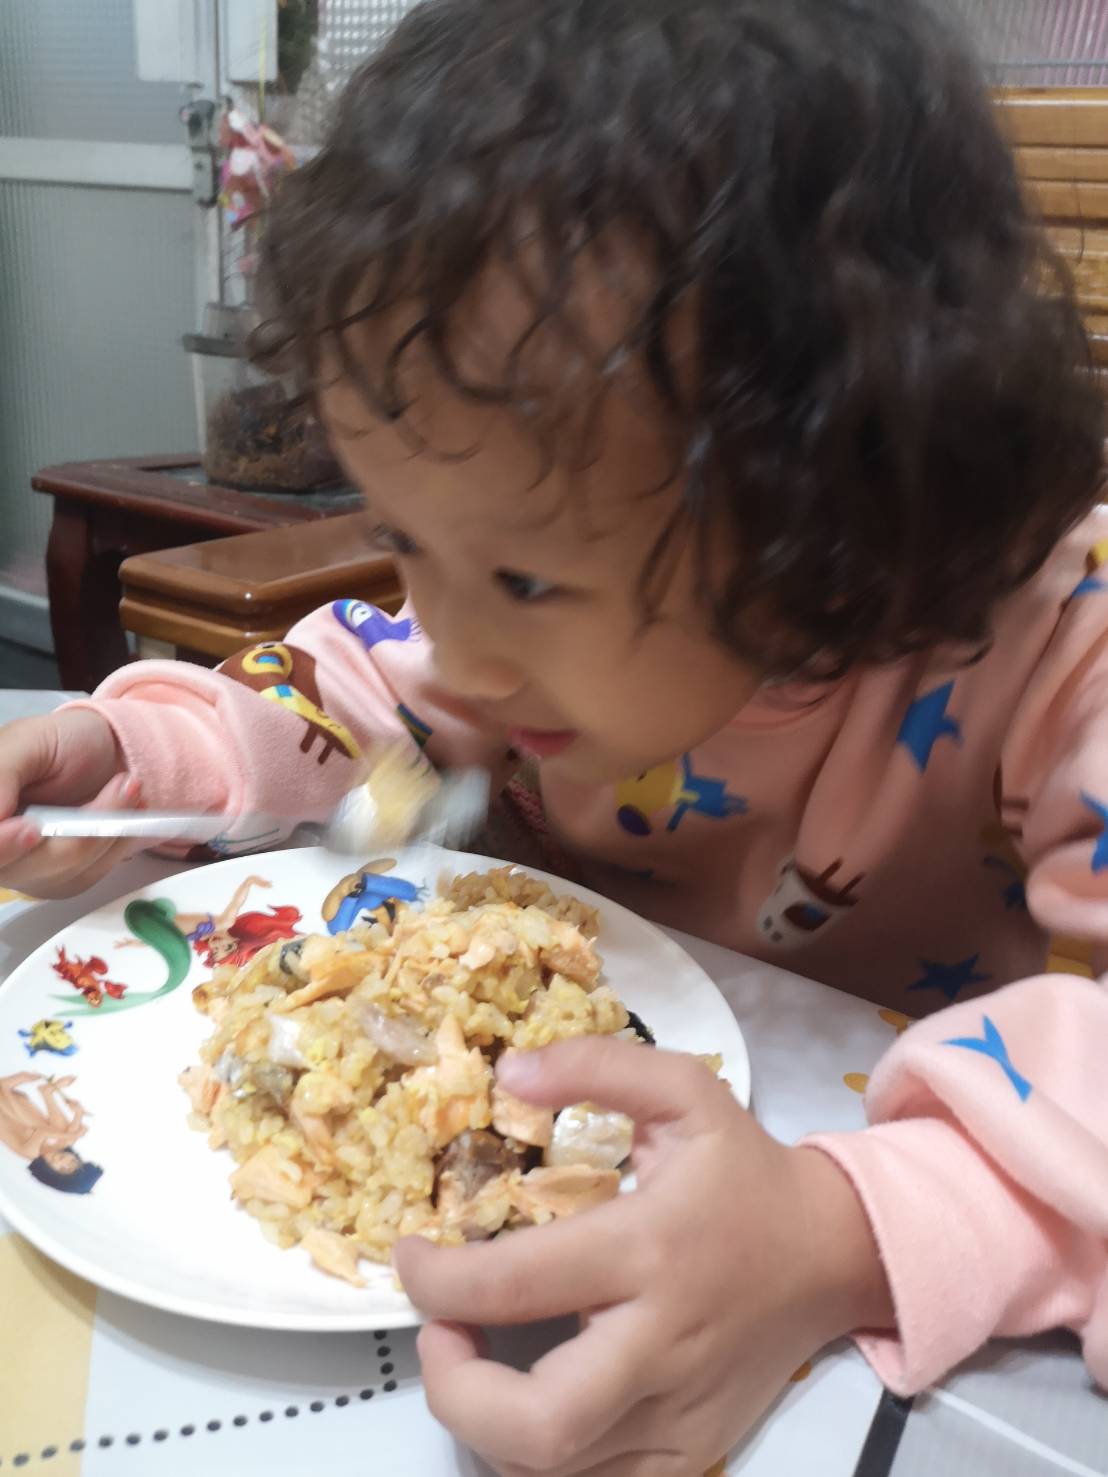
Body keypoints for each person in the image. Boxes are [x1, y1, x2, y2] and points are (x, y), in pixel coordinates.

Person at [2, 0, 1107, 1467]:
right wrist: (142, 760)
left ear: (828, 495)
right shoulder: (494, 654)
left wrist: (846, 1232)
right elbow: (355, 708)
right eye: (404, 538)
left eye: (523, 572)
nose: (450, 640)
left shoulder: (1057, 654)